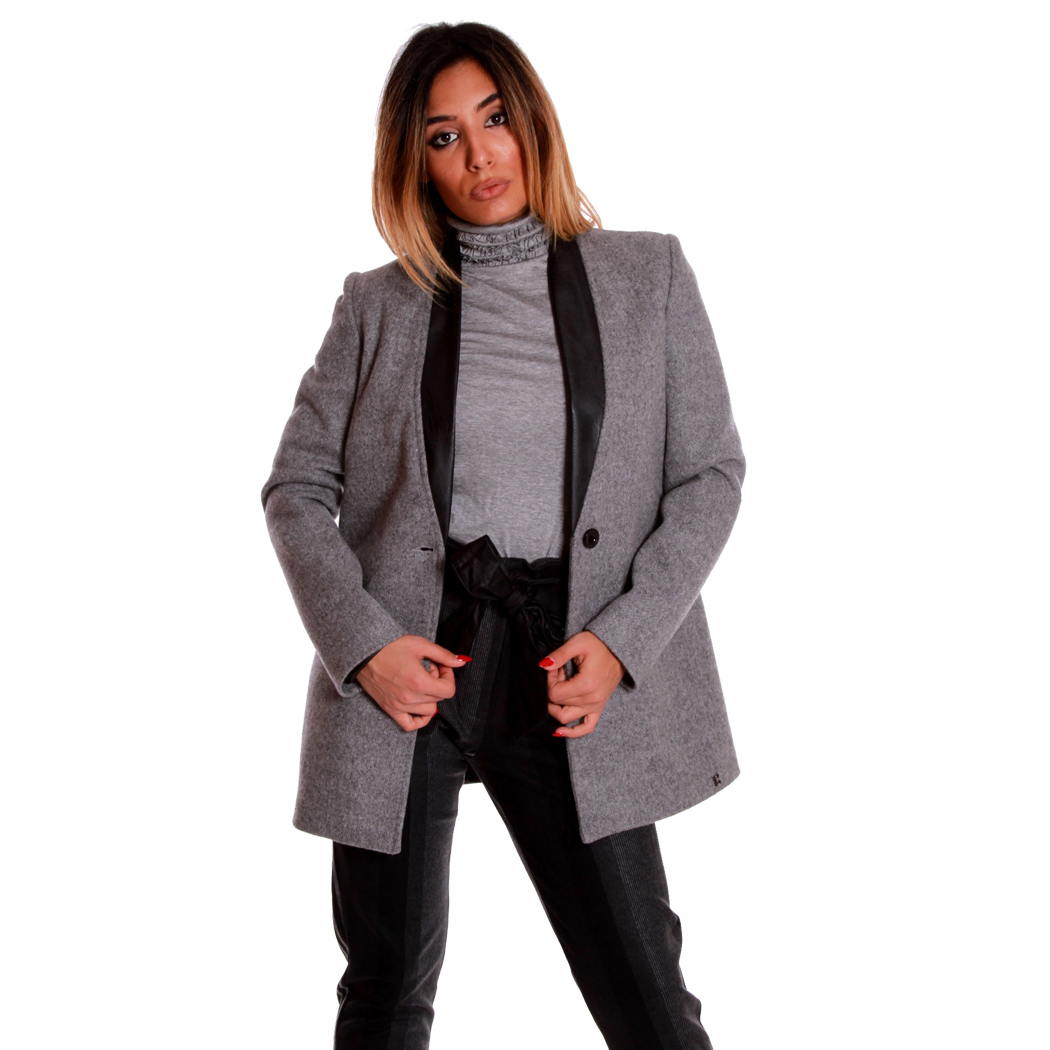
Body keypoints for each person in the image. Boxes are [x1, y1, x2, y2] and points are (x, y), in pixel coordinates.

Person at [262, 21, 744, 1050]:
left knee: (650, 1005)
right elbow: (296, 487)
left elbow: (709, 476)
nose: (479, 155)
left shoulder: (647, 276)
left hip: (568, 663)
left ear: (532, 124)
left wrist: (621, 641)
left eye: (494, 120)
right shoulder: (375, 307)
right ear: (415, 162)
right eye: (443, 137)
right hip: (410, 669)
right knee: (384, 1000)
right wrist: (364, 646)